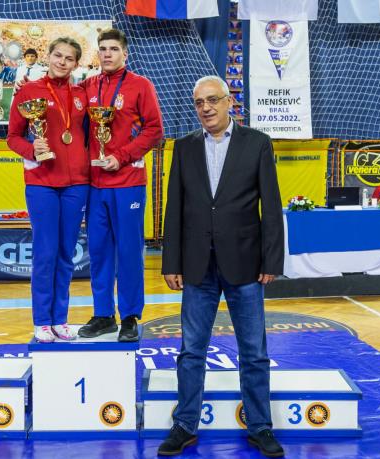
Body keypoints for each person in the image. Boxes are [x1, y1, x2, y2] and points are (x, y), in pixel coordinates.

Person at [159, 76, 284, 457]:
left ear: (230, 102)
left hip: (246, 263)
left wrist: (272, 259)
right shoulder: (184, 147)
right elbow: (175, 208)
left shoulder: (257, 143)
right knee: (191, 352)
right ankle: (184, 424)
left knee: (254, 352)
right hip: (197, 265)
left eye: (213, 100)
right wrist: (171, 261)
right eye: (199, 102)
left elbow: (271, 206)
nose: (206, 108)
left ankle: (260, 426)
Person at [76, 28, 164, 342]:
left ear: (125, 53)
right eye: (103, 49)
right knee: (99, 252)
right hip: (95, 184)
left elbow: (154, 130)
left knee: (128, 252)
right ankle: (103, 315)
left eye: (113, 49)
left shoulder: (141, 85)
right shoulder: (87, 86)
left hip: (128, 182)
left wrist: (122, 157)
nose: (108, 54)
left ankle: (129, 317)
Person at [7, 37, 89, 343]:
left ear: (76, 64)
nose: (62, 62)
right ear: (48, 56)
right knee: (45, 253)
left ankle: (59, 318)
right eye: (58, 55)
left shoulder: (82, 94)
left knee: (67, 253)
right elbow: (13, 137)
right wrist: (32, 149)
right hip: (42, 182)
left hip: (76, 183)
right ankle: (42, 320)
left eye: (69, 58)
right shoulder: (28, 91)